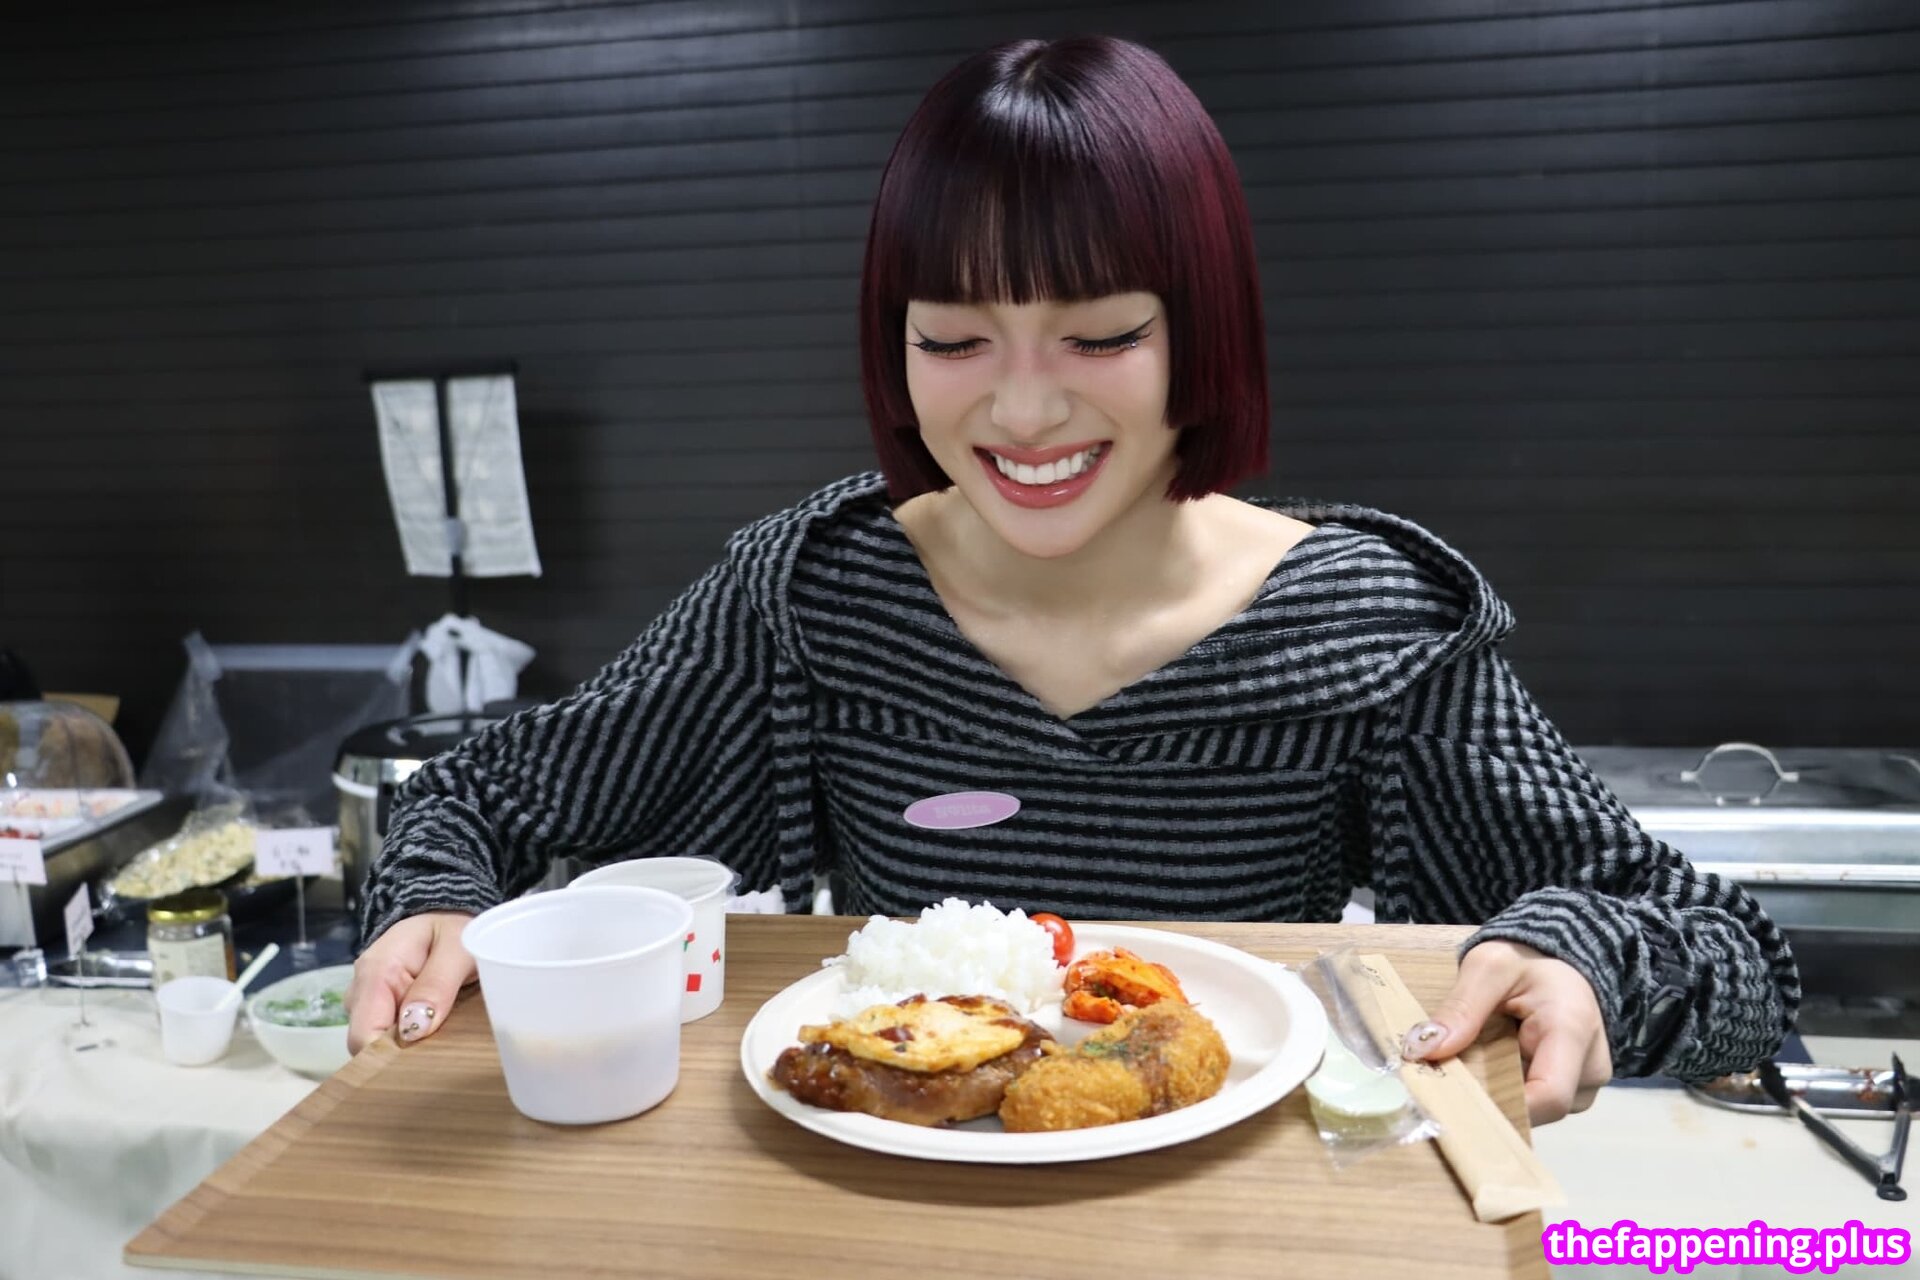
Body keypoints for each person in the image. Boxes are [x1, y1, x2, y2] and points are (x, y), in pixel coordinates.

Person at [346, 35, 1797, 1124]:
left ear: (1201, 335)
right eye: (953, 340)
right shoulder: (813, 598)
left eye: (1100, 336)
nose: (1025, 411)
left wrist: (1582, 958)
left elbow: (1732, 951)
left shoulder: (1360, 626)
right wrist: (433, 902)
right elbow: (476, 803)